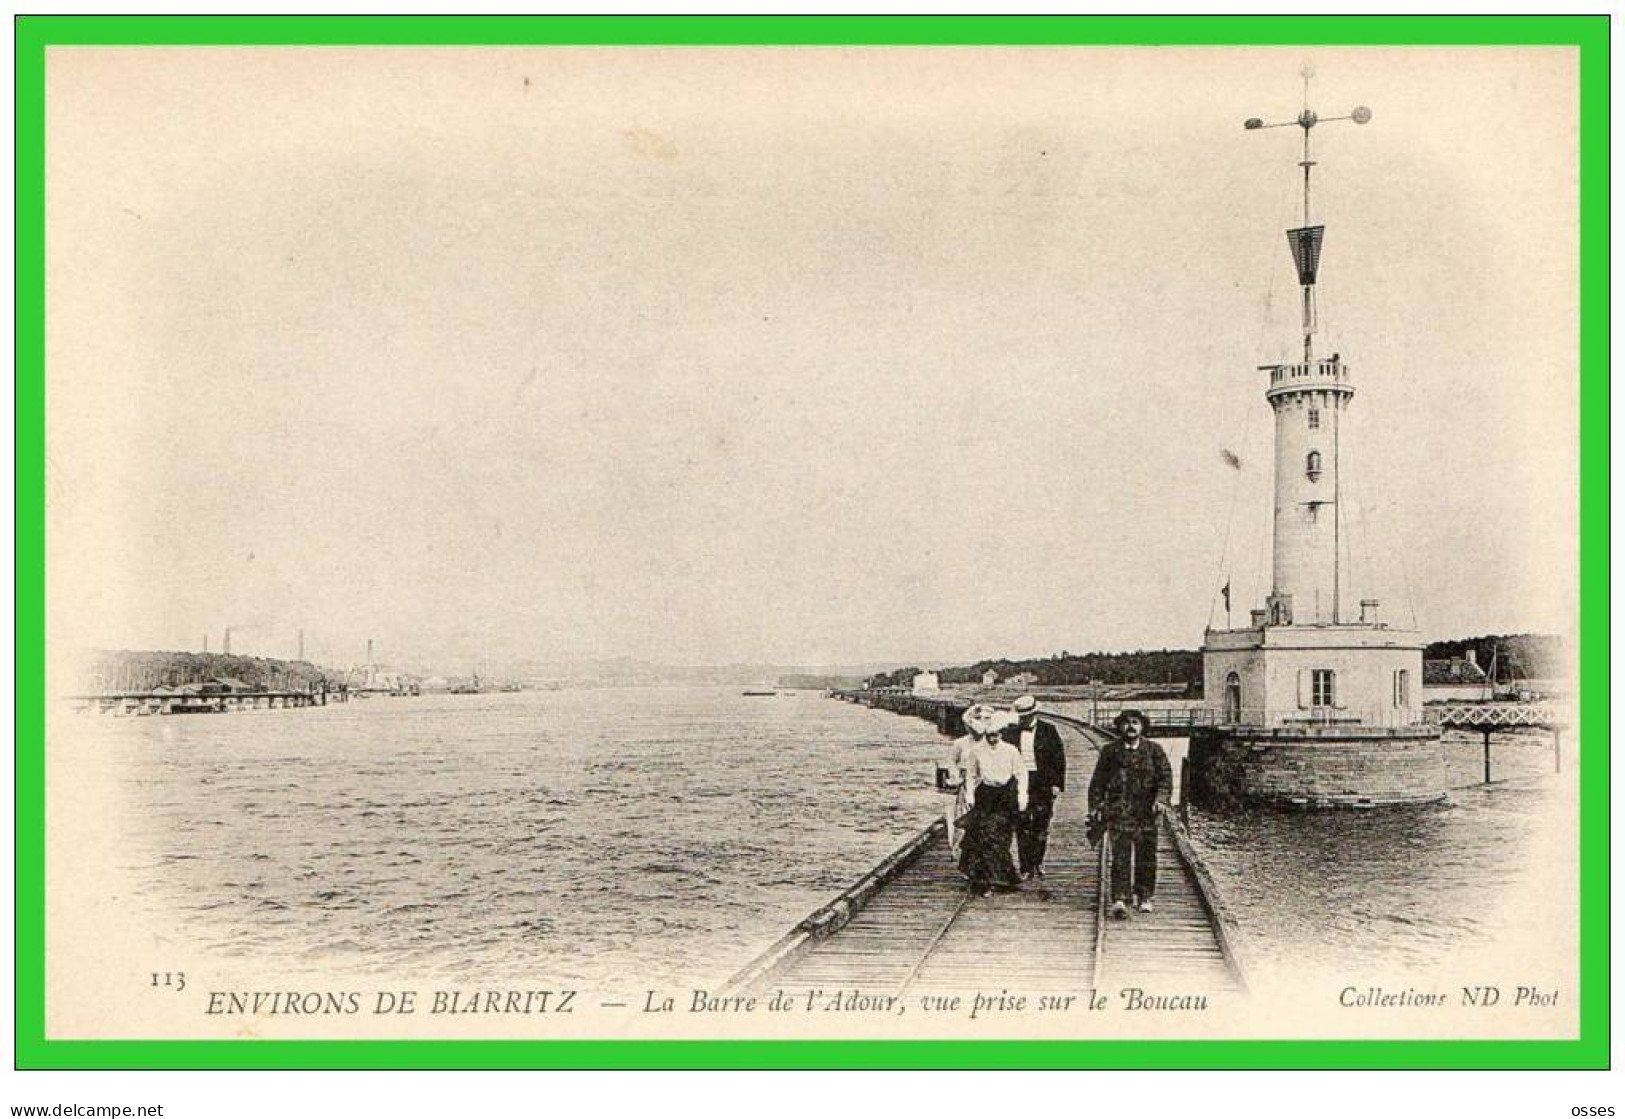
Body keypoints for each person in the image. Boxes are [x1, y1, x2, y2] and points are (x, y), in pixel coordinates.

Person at [1088, 709, 1172, 919]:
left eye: (1135, 723)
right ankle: (1120, 898)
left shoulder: (1154, 751)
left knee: (1146, 856)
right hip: (1119, 811)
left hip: (1146, 813)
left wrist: (1160, 800)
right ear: (1120, 727)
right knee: (1120, 856)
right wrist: (1095, 806)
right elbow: (1098, 782)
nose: (1131, 727)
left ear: (1142, 726)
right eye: (1126, 723)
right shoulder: (1110, 751)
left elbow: (1165, 779)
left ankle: (1144, 896)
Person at [957, 704, 1028, 896]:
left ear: (1001, 734)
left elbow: (1021, 773)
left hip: (1006, 796)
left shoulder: (1011, 750)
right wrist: (970, 795)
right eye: (990, 735)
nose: (993, 739)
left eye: (996, 735)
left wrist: (1022, 795)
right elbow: (971, 775)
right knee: (986, 836)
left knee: (1002, 837)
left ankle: (1002, 878)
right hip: (986, 795)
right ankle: (987, 880)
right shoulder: (977, 751)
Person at [1002, 694, 1066, 879]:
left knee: (1041, 824)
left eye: (1027, 715)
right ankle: (1025, 867)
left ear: (1035, 713)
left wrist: (1056, 783)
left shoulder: (1049, 730)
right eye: (1022, 716)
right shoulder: (1010, 732)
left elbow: (1058, 758)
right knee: (1022, 824)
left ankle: (1038, 862)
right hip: (1020, 782)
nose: (1024, 719)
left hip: (1043, 781)